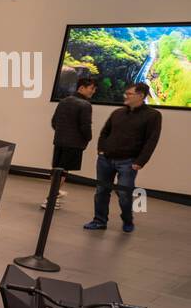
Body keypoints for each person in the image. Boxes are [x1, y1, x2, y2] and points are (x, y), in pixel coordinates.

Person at [85, 82, 162, 233]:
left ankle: (127, 220)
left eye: (129, 94)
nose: (125, 96)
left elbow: (151, 140)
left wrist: (140, 161)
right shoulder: (118, 113)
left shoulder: (153, 115)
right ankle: (99, 220)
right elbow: (104, 133)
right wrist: (101, 150)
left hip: (128, 162)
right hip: (105, 159)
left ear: (140, 96)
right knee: (101, 191)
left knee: (124, 194)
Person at [42, 74, 95, 208]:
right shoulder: (85, 105)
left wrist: (62, 133)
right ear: (82, 88)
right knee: (64, 172)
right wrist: (88, 138)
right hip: (74, 144)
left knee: (57, 170)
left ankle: (53, 195)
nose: (93, 91)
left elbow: (54, 122)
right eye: (92, 88)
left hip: (59, 141)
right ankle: (51, 199)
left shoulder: (64, 101)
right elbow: (85, 126)